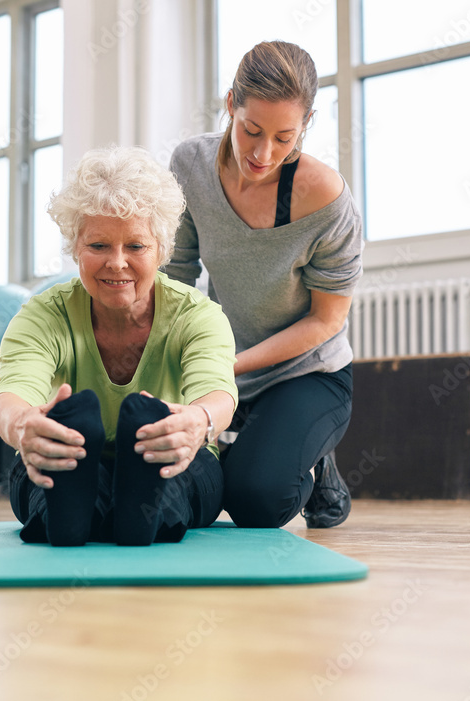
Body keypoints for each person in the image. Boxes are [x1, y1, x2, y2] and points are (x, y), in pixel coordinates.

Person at [0, 146, 238, 546]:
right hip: (70, 455)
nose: (117, 263)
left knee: (171, 479)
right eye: (99, 246)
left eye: (136, 247)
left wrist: (198, 423)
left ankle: (119, 510)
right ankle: (94, 512)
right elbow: (10, 396)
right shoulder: (42, 314)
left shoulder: (198, 315)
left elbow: (218, 394)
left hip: (172, 453)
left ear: (161, 250)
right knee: (52, 470)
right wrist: (23, 427)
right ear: (75, 248)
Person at [164, 41, 363, 529]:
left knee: (257, 503)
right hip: (221, 367)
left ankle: (312, 459)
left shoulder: (328, 200)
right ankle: (260, 442)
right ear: (231, 103)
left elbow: (326, 320)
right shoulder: (190, 165)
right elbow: (176, 275)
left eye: (284, 137)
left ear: (307, 123)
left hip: (307, 373)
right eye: (251, 130)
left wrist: (228, 366)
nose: (263, 152)